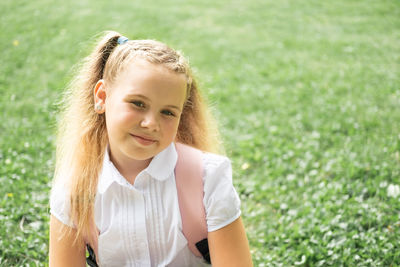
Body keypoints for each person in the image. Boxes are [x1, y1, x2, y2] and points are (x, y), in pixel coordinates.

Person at [49, 31, 253, 267]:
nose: (151, 124)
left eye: (167, 112)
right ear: (102, 97)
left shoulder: (208, 178)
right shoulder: (73, 190)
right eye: (138, 103)